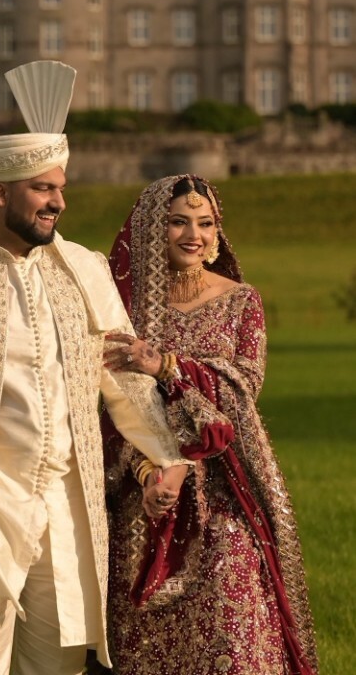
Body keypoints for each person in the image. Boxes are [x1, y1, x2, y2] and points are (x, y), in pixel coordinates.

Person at [0, 62, 188, 675]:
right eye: (43, 189)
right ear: (0, 192)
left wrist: (168, 456)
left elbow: (122, 379)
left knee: (58, 662)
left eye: (60, 187)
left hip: (65, 501)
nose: (60, 201)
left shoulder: (84, 267)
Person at [101, 174, 319, 675]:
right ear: (154, 230)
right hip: (146, 490)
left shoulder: (242, 301)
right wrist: (148, 471)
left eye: (204, 222)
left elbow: (243, 390)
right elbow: (107, 404)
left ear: (218, 232)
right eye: (178, 222)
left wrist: (168, 368)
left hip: (224, 485)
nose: (192, 234)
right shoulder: (125, 309)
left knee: (233, 613)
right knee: (143, 638)